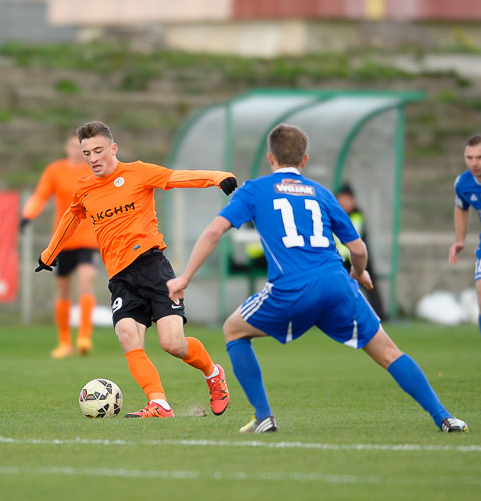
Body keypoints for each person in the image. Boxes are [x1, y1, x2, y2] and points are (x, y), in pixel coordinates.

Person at [167, 123, 467, 433]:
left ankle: (264, 417)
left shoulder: (254, 189)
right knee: (390, 352)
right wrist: (359, 272)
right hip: (338, 285)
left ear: (270, 158)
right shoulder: (321, 193)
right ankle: (445, 417)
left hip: (292, 288)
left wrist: (185, 277)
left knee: (233, 330)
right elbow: (358, 248)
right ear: (304, 160)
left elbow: (214, 231)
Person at [35, 120, 238, 418]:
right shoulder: (84, 188)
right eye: (87, 153)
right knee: (127, 336)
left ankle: (213, 372)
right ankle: (159, 403)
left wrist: (217, 177)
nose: (93, 158)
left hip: (153, 268)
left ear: (113, 148)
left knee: (173, 344)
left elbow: (176, 178)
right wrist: (49, 254)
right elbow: (71, 218)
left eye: (98, 150)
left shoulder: (138, 172)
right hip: (120, 278)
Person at [22, 132, 100, 358]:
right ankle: (64, 342)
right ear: (67, 148)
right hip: (63, 239)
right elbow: (40, 196)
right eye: (73, 146)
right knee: (63, 291)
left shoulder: (94, 171)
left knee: (86, 283)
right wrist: (28, 215)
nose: (77, 151)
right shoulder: (55, 171)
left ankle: (84, 337)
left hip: (89, 239)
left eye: (81, 148)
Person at [334, 183, 386, 319]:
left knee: (369, 282)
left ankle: (380, 314)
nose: (344, 202)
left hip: (355, 258)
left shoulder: (357, 215)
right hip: (341, 259)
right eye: (341, 199)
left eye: (347, 199)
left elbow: (355, 244)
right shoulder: (334, 214)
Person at [449, 133, 481, 335]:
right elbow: (461, 208)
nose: (474, 163)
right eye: (470, 158)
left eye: (479, 157)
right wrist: (459, 240)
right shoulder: (463, 183)